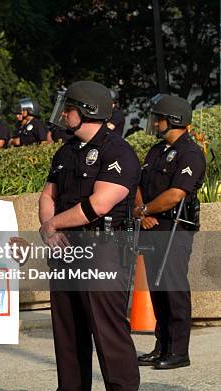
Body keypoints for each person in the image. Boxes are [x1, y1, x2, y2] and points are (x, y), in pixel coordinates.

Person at [41, 80, 141, 390]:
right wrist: (49, 230)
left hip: (103, 248)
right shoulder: (66, 151)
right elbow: (48, 194)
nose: (63, 115)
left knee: (108, 332)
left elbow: (99, 203)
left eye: (68, 109)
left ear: (87, 111)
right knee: (68, 331)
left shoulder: (118, 152)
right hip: (66, 249)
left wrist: (55, 224)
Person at [134, 94, 205, 370]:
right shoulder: (156, 151)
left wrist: (146, 211)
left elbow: (176, 194)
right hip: (151, 225)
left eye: (159, 118)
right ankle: (161, 345)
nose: (155, 122)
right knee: (157, 289)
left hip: (174, 228)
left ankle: (178, 351)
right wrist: (142, 212)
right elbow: (137, 184)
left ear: (174, 119)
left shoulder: (190, 153)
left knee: (173, 288)